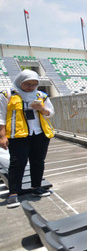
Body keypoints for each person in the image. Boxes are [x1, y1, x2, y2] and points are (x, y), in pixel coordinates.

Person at [0, 70, 54, 208]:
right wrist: (2, 136)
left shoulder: (40, 95)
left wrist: (41, 109)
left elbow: (50, 113)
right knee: (18, 162)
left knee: (38, 161)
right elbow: (1, 116)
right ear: (20, 81)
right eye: (27, 84)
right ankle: (13, 193)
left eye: (34, 84)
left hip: (39, 134)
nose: (30, 87)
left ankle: (36, 187)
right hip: (18, 135)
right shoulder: (8, 94)